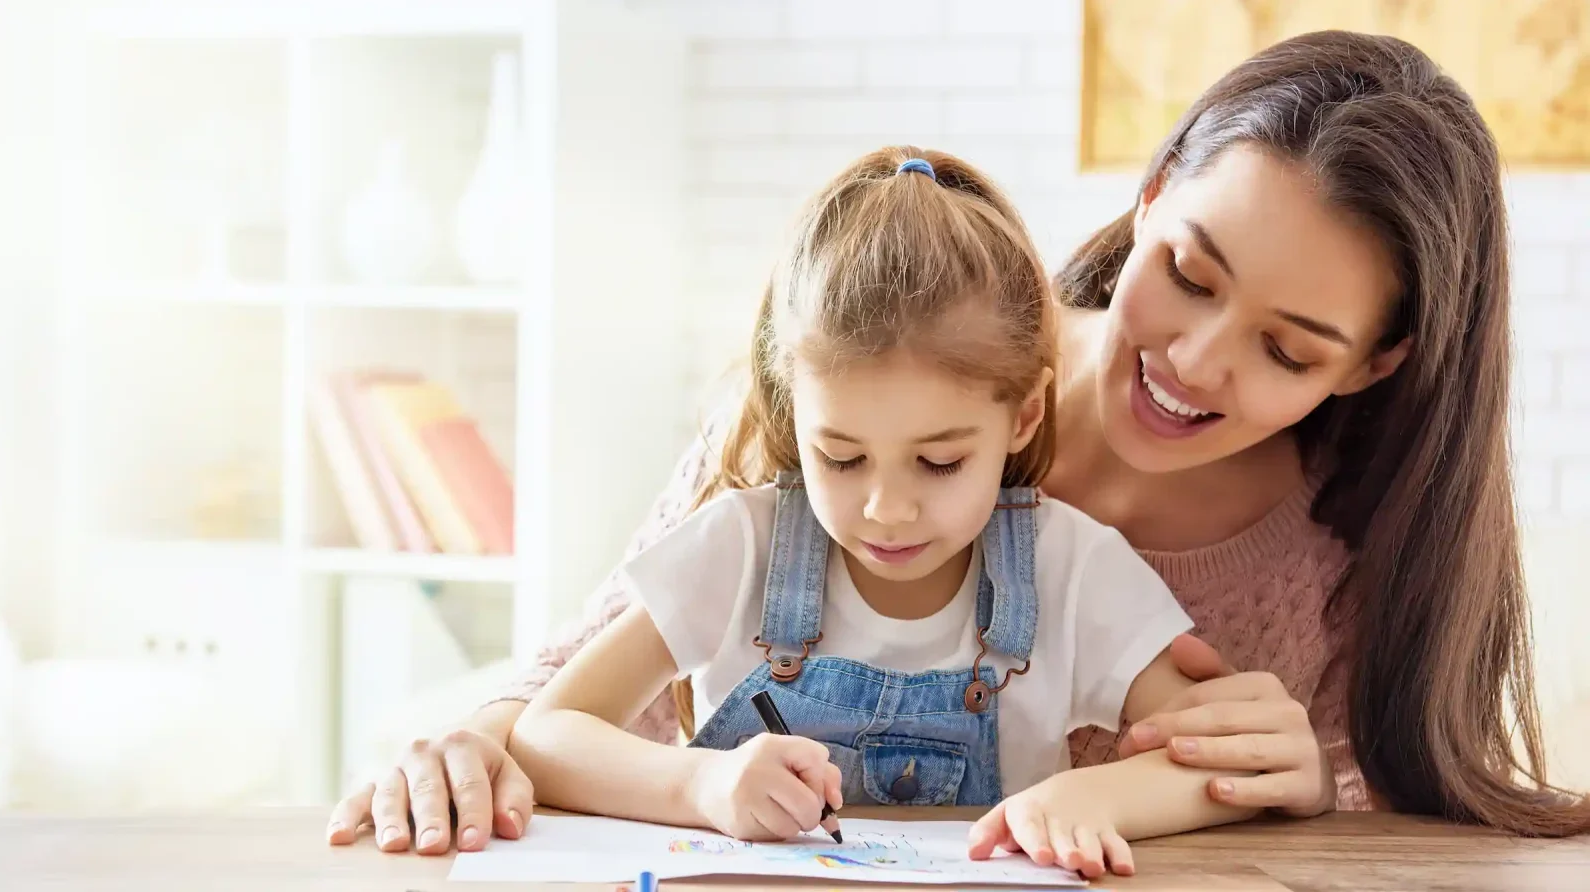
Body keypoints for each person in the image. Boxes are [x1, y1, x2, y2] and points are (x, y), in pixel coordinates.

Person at [327, 29, 1590, 858]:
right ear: (1147, 200)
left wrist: (1306, 782)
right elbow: (578, 686)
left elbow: (1358, 828)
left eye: (1287, 349)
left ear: (1374, 363)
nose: (1198, 360)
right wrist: (472, 739)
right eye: (1189, 273)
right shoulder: (889, 359)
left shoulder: (1336, 555)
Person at [512, 146, 1266, 878]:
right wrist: (700, 785)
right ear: (792, 408)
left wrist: (1093, 795)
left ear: (1025, 415)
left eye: (940, 462)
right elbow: (546, 734)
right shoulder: (742, 548)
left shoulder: (1069, 570)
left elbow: (1224, 763)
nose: (886, 509)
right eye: (840, 457)